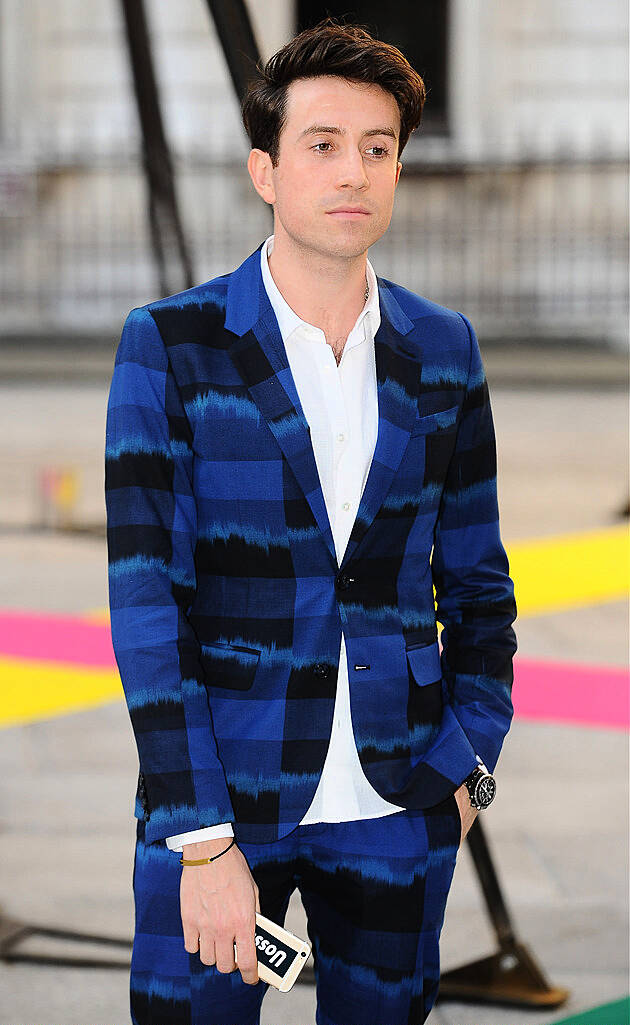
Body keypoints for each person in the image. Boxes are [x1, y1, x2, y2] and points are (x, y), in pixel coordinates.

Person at [105, 16, 517, 1025]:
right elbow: (147, 601)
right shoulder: (173, 343)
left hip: (398, 808)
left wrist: (467, 779)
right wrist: (200, 837)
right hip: (219, 801)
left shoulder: (444, 349)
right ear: (265, 170)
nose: (354, 172)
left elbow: (480, 586)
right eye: (323, 145)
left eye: (379, 149)